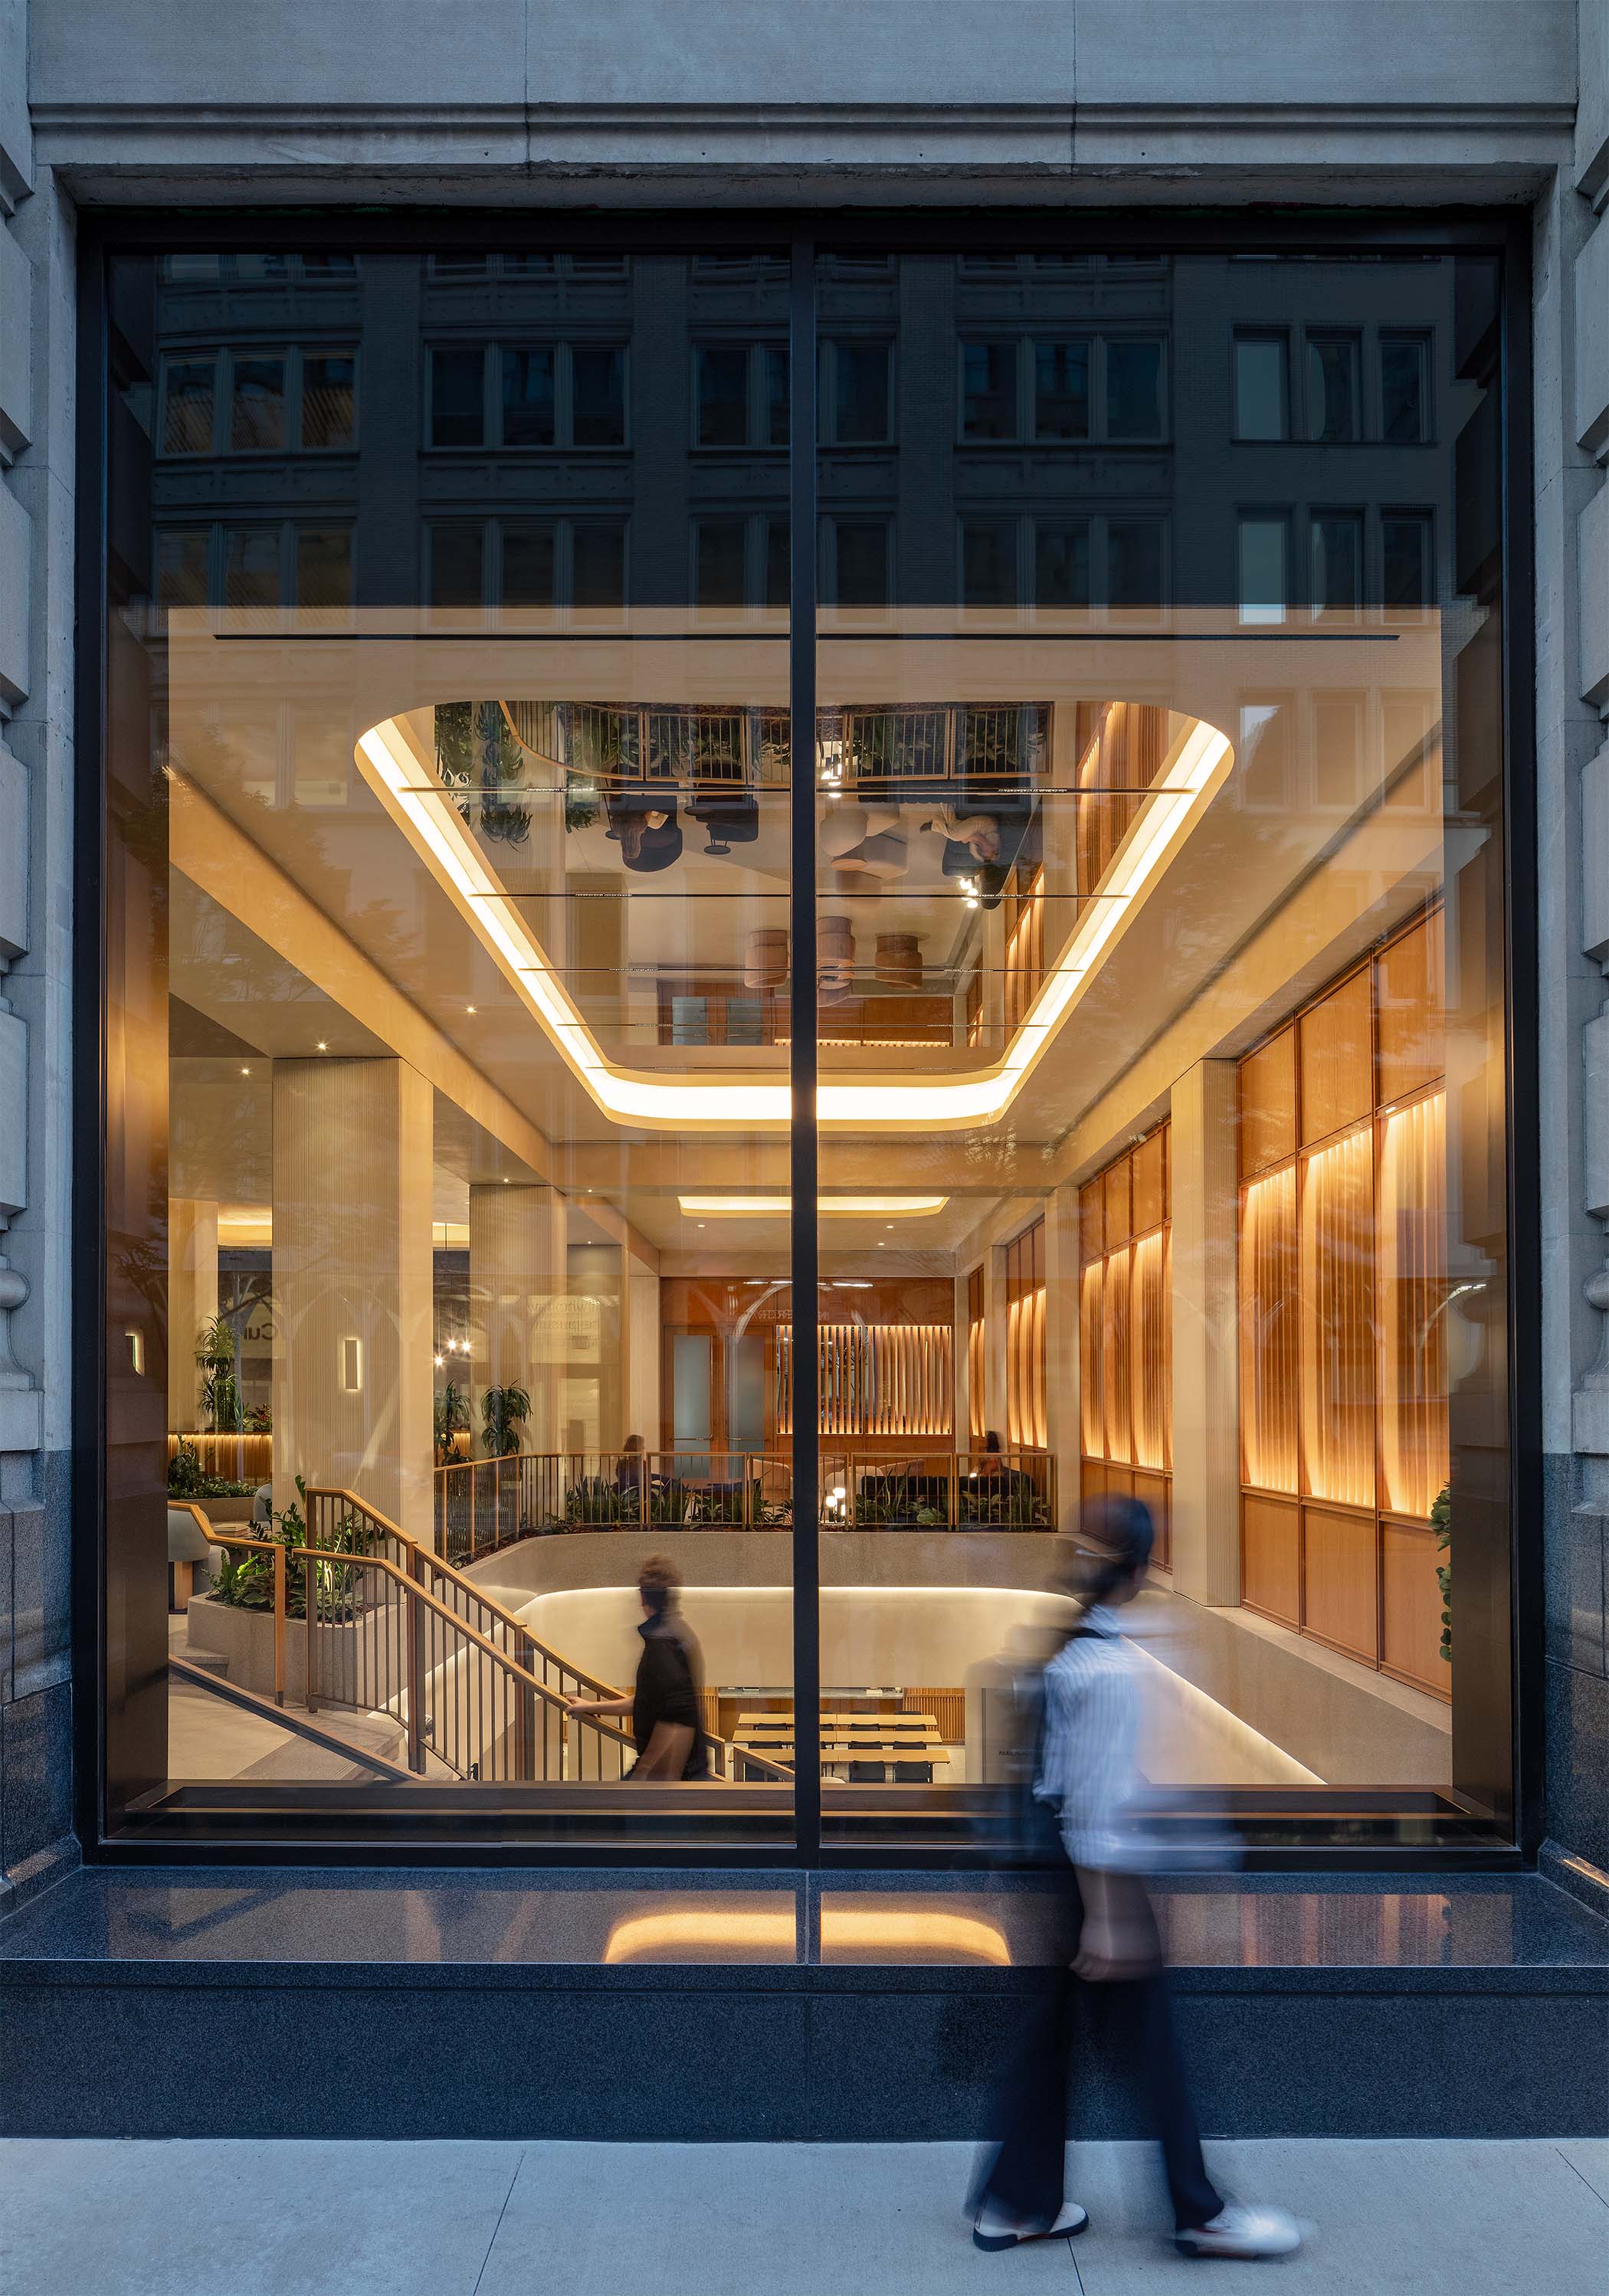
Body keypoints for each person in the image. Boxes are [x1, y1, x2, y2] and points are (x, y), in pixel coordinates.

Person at [969, 1497, 1304, 2262]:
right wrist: (1108, 1915)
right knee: (1154, 2049)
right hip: (1098, 1883)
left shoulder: (1074, 1649)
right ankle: (1198, 2212)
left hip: (1065, 1877)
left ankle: (1014, 2202)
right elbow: (1094, 1805)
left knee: (1054, 2041)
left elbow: (1071, 1784)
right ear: (1141, 1570)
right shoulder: (1110, 1666)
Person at [564, 1554, 711, 1781]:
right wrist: (590, 1706)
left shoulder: (661, 1643)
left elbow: (679, 1719)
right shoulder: (675, 1632)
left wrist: (644, 1773)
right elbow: (647, 1701)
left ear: (643, 1598)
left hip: (675, 1776)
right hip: (681, 1773)